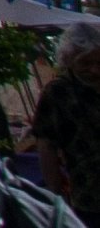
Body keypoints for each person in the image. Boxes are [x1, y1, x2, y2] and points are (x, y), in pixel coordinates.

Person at [31, 29, 100, 204]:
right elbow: (46, 145)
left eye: (99, 62)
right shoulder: (58, 92)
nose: (94, 70)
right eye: (85, 63)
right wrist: (56, 195)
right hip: (89, 195)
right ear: (68, 60)